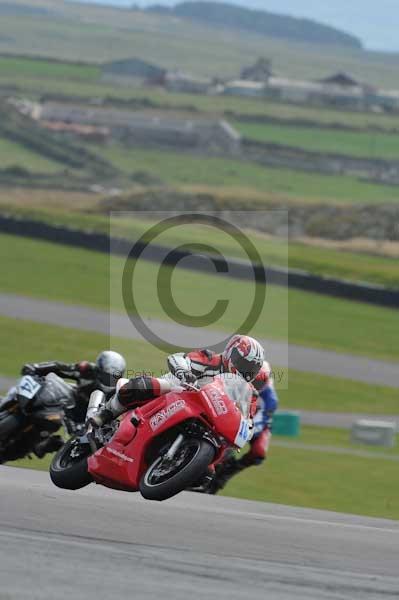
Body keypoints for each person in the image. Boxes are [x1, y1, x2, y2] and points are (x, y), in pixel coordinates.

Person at [90, 335, 265, 427]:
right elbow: (177, 358)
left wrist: (245, 427)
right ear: (230, 353)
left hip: (205, 416)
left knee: (209, 472)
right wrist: (184, 372)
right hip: (177, 391)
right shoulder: (211, 359)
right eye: (242, 362)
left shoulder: (249, 393)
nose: (243, 369)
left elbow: (247, 423)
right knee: (140, 386)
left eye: (249, 368)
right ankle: (105, 414)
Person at [206, 360, 279, 494]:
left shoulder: (270, 399)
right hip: (235, 409)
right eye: (250, 379)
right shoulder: (234, 375)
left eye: (258, 382)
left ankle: (225, 474)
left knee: (259, 451)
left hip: (257, 422)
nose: (253, 384)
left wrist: (242, 431)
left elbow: (258, 424)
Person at [22, 351, 127, 424]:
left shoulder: (119, 393)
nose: (109, 380)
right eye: (106, 375)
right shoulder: (86, 370)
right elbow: (60, 368)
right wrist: (36, 368)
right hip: (63, 407)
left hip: (86, 423)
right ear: (99, 370)